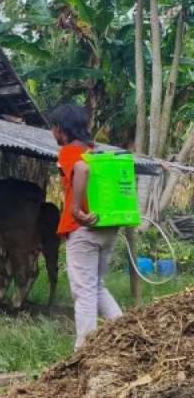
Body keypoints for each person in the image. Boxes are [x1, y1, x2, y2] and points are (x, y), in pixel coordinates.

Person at [50, 104, 122, 349]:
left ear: (60, 129)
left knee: (83, 292)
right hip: (108, 227)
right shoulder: (96, 151)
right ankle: (126, 330)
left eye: (53, 128)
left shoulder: (72, 152)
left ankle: (85, 350)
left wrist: (77, 210)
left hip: (83, 230)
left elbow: (81, 169)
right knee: (97, 286)